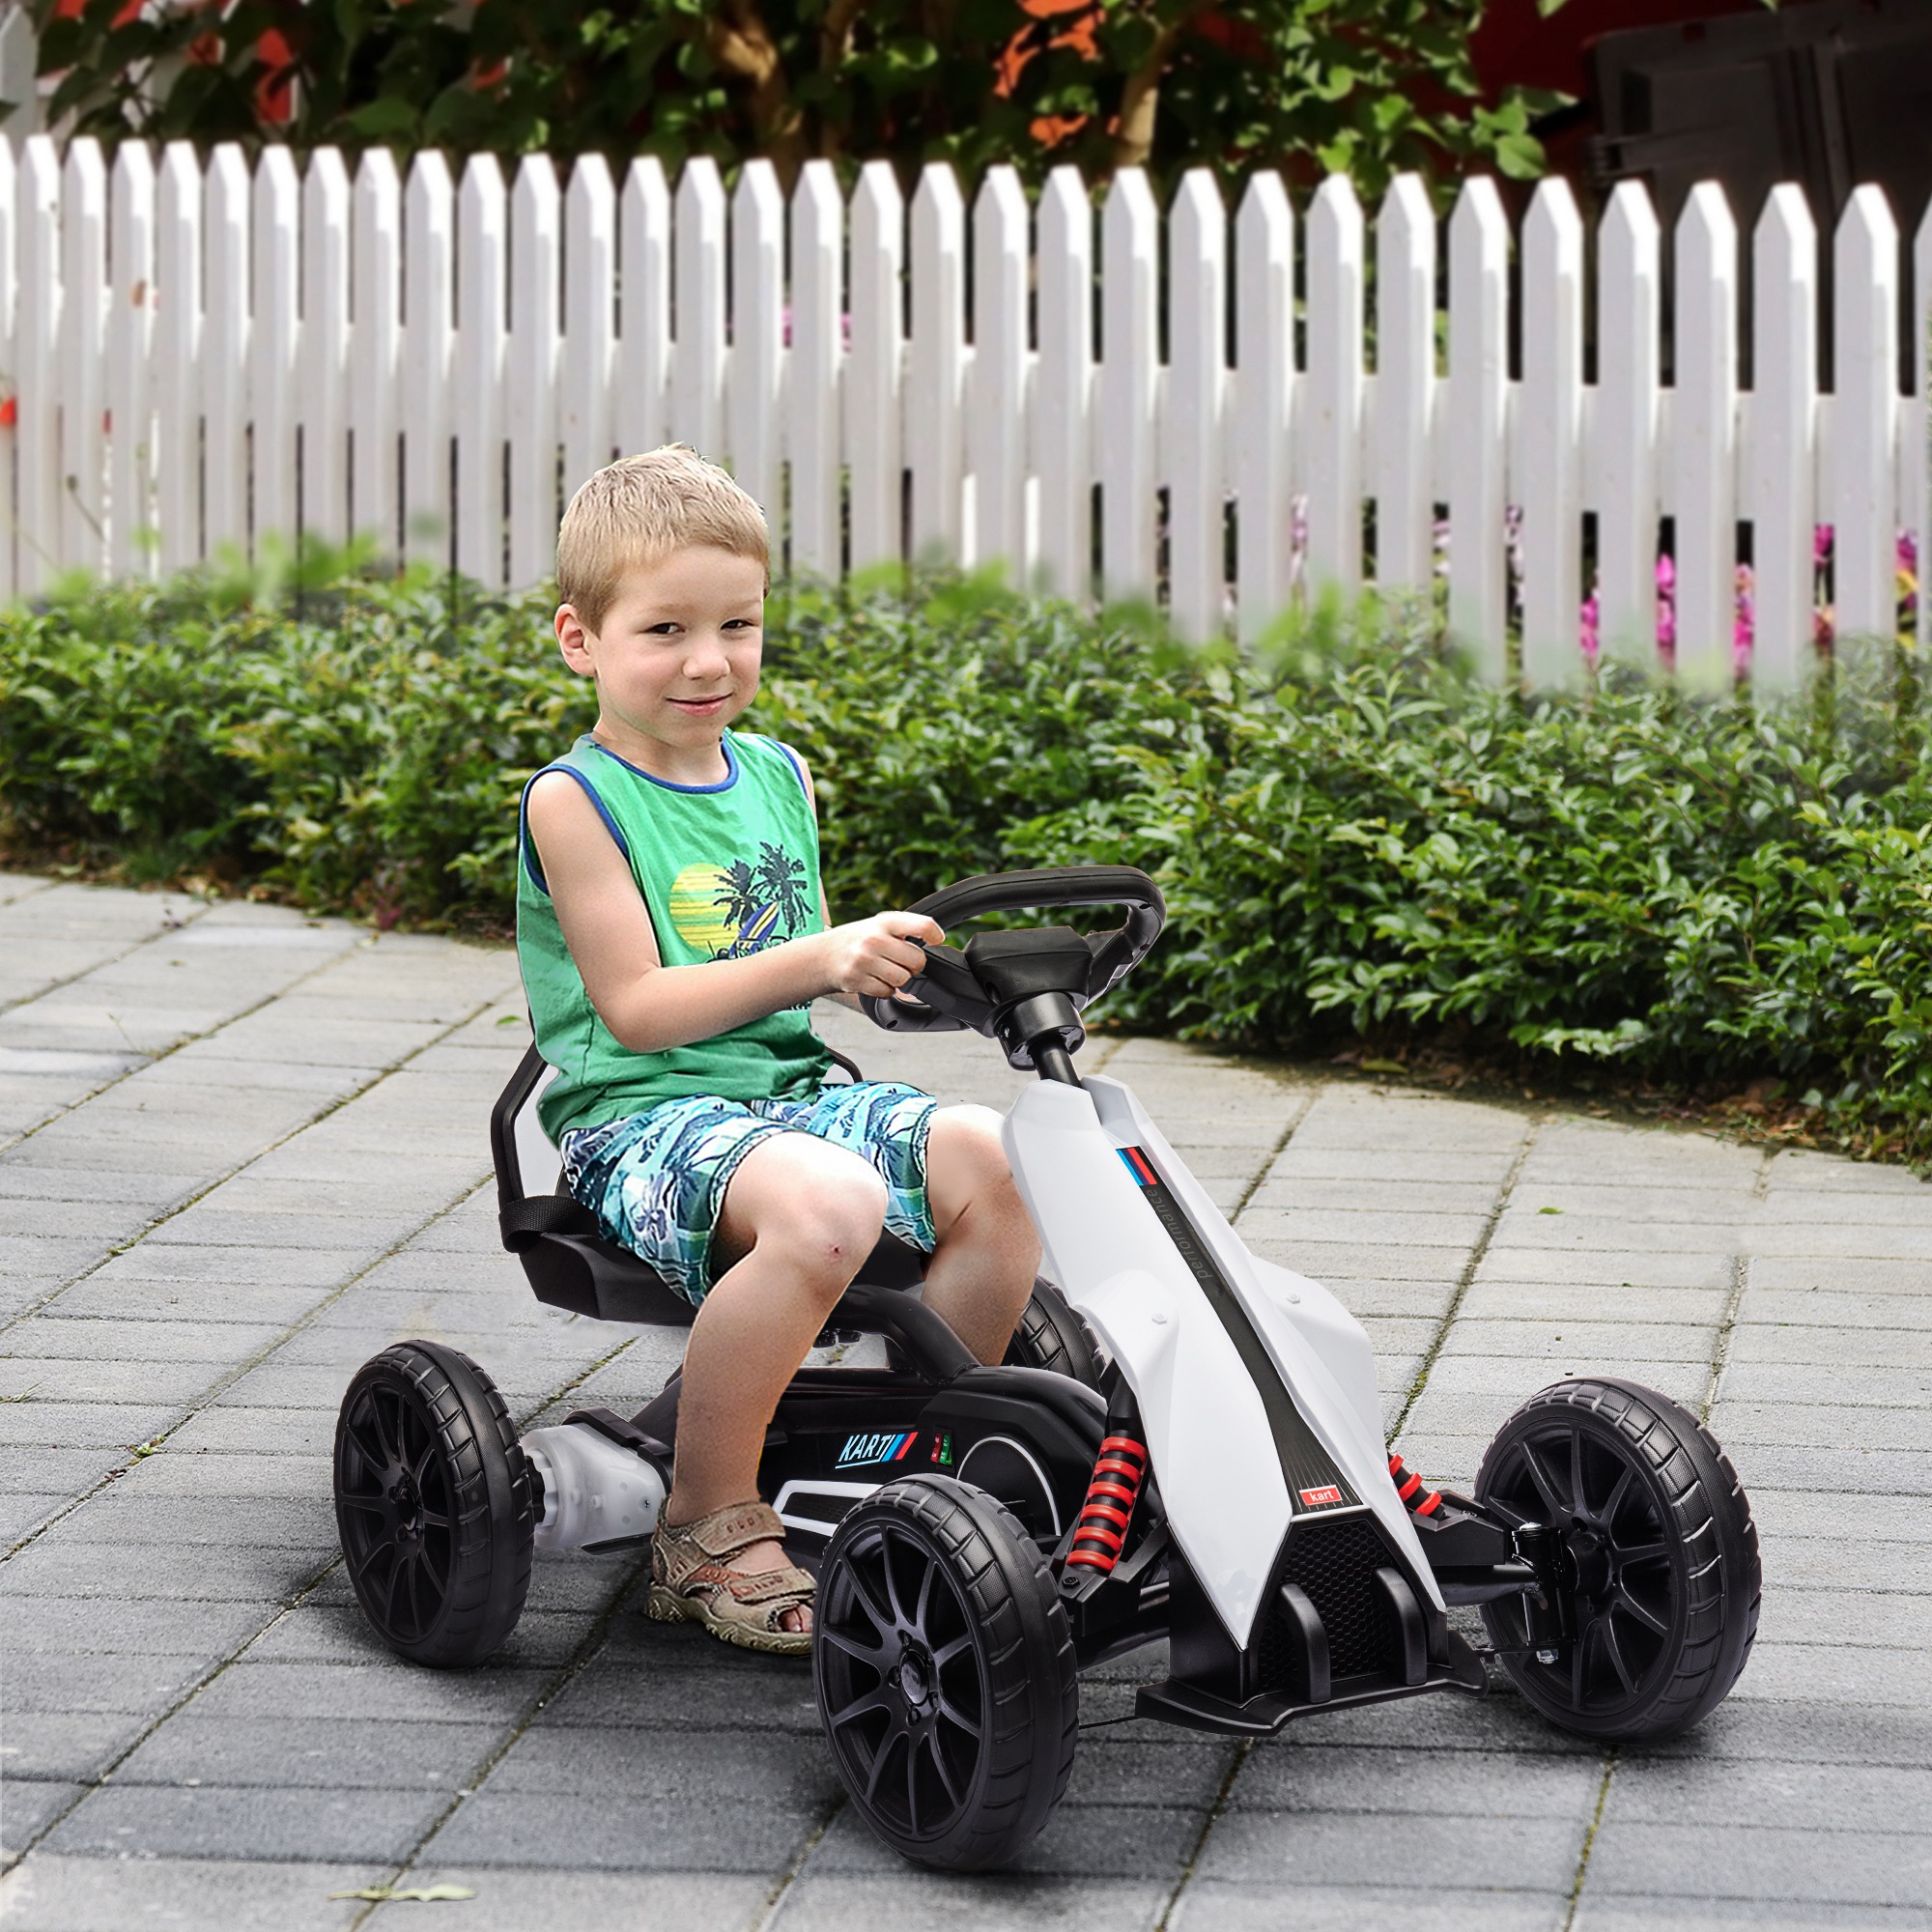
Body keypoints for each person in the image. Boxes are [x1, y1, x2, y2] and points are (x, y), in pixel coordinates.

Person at [516, 446, 1040, 1656]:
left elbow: (797, 968)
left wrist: (899, 970)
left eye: (737, 625)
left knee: (1002, 1158)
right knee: (831, 1205)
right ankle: (704, 1521)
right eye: (665, 629)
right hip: (642, 1120)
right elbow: (638, 1008)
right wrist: (819, 957)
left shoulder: (776, 773)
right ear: (581, 640)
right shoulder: (574, 800)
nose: (709, 661)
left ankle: (913, 1475)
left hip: (788, 1097)